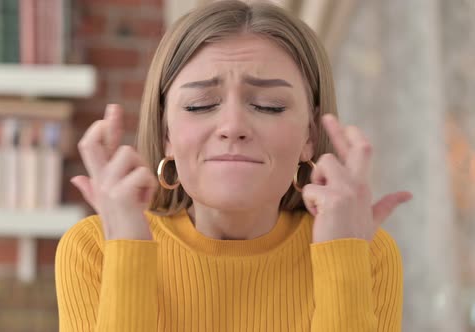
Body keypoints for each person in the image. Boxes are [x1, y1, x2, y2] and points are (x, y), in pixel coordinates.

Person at [56, 0, 412, 331]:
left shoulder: (366, 251)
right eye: (199, 105)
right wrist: (128, 247)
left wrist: (344, 258)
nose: (233, 127)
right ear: (166, 133)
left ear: (310, 134)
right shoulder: (95, 249)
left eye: (270, 105)